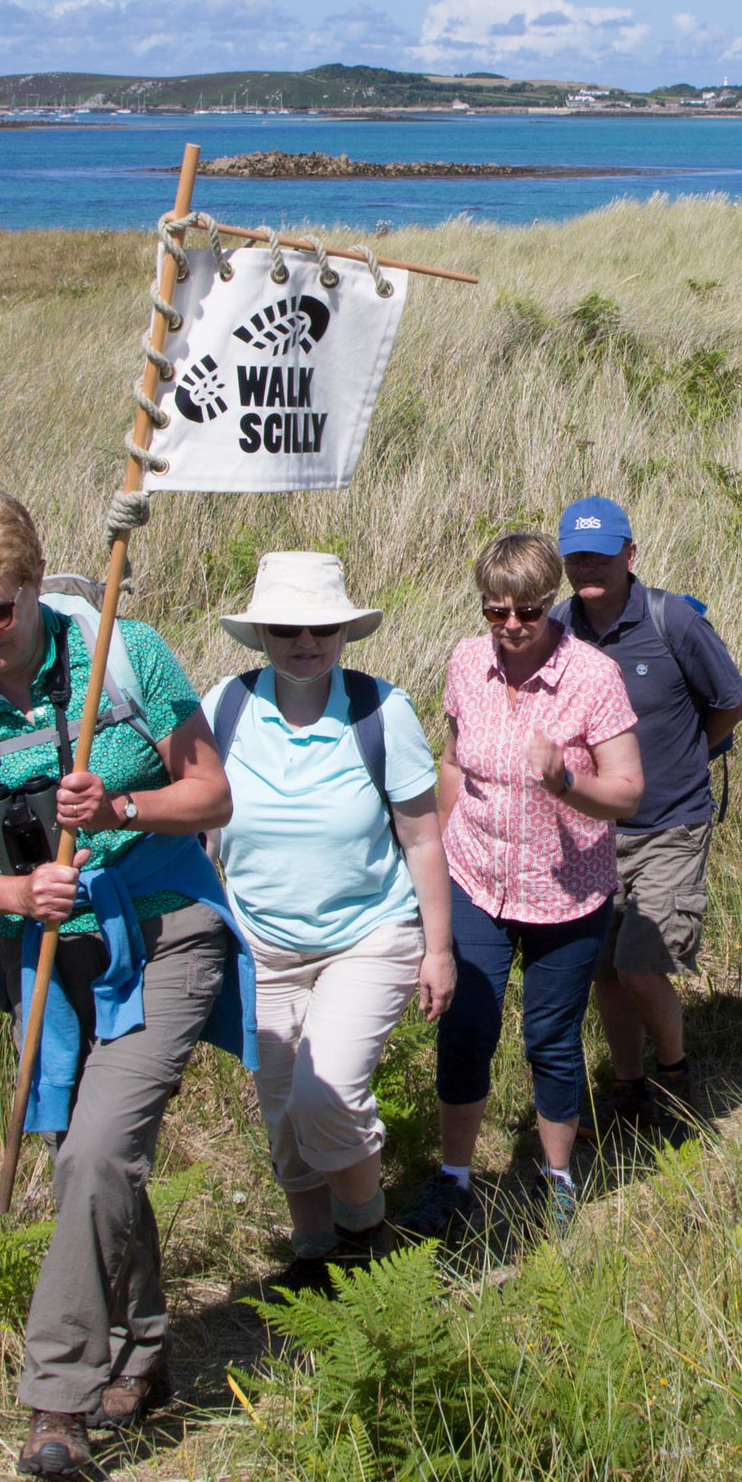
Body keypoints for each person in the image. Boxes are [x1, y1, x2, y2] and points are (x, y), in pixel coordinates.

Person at [0, 486, 242, 1482]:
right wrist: (14, 889)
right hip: (44, 963)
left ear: (31, 589)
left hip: (166, 934)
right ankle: (141, 1359)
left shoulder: (122, 657)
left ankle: (57, 1400)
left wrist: (123, 801)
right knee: (93, 1161)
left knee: (95, 1150)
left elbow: (212, 792)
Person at [205, 550, 456, 1291]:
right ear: (262, 635)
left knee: (326, 1091)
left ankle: (366, 1236)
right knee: (284, 1114)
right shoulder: (225, 706)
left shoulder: (382, 710)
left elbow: (422, 836)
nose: (305, 642)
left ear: (345, 632)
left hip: (368, 938)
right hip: (263, 946)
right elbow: (200, 830)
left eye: (321, 627)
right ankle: (313, 1250)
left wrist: (437, 950)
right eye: (286, 628)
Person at [405, 530, 644, 1246]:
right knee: (465, 1030)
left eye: (527, 612)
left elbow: (628, 793)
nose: (510, 627)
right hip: (476, 876)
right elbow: (454, 763)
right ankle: (453, 1179)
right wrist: (440, 858)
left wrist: (566, 781)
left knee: (550, 1039)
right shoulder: (465, 662)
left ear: (550, 605)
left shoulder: (592, 678)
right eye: (495, 610)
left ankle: (556, 1179)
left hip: (565, 892)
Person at [558, 495, 742, 1132]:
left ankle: (676, 1079)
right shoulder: (559, 629)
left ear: (630, 555)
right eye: (577, 556)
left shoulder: (672, 621)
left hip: (670, 822)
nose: (590, 568)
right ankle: (629, 1084)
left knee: (642, 964)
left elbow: (730, 701)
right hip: (591, 830)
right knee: (606, 970)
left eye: (603, 555)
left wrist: (691, 753)